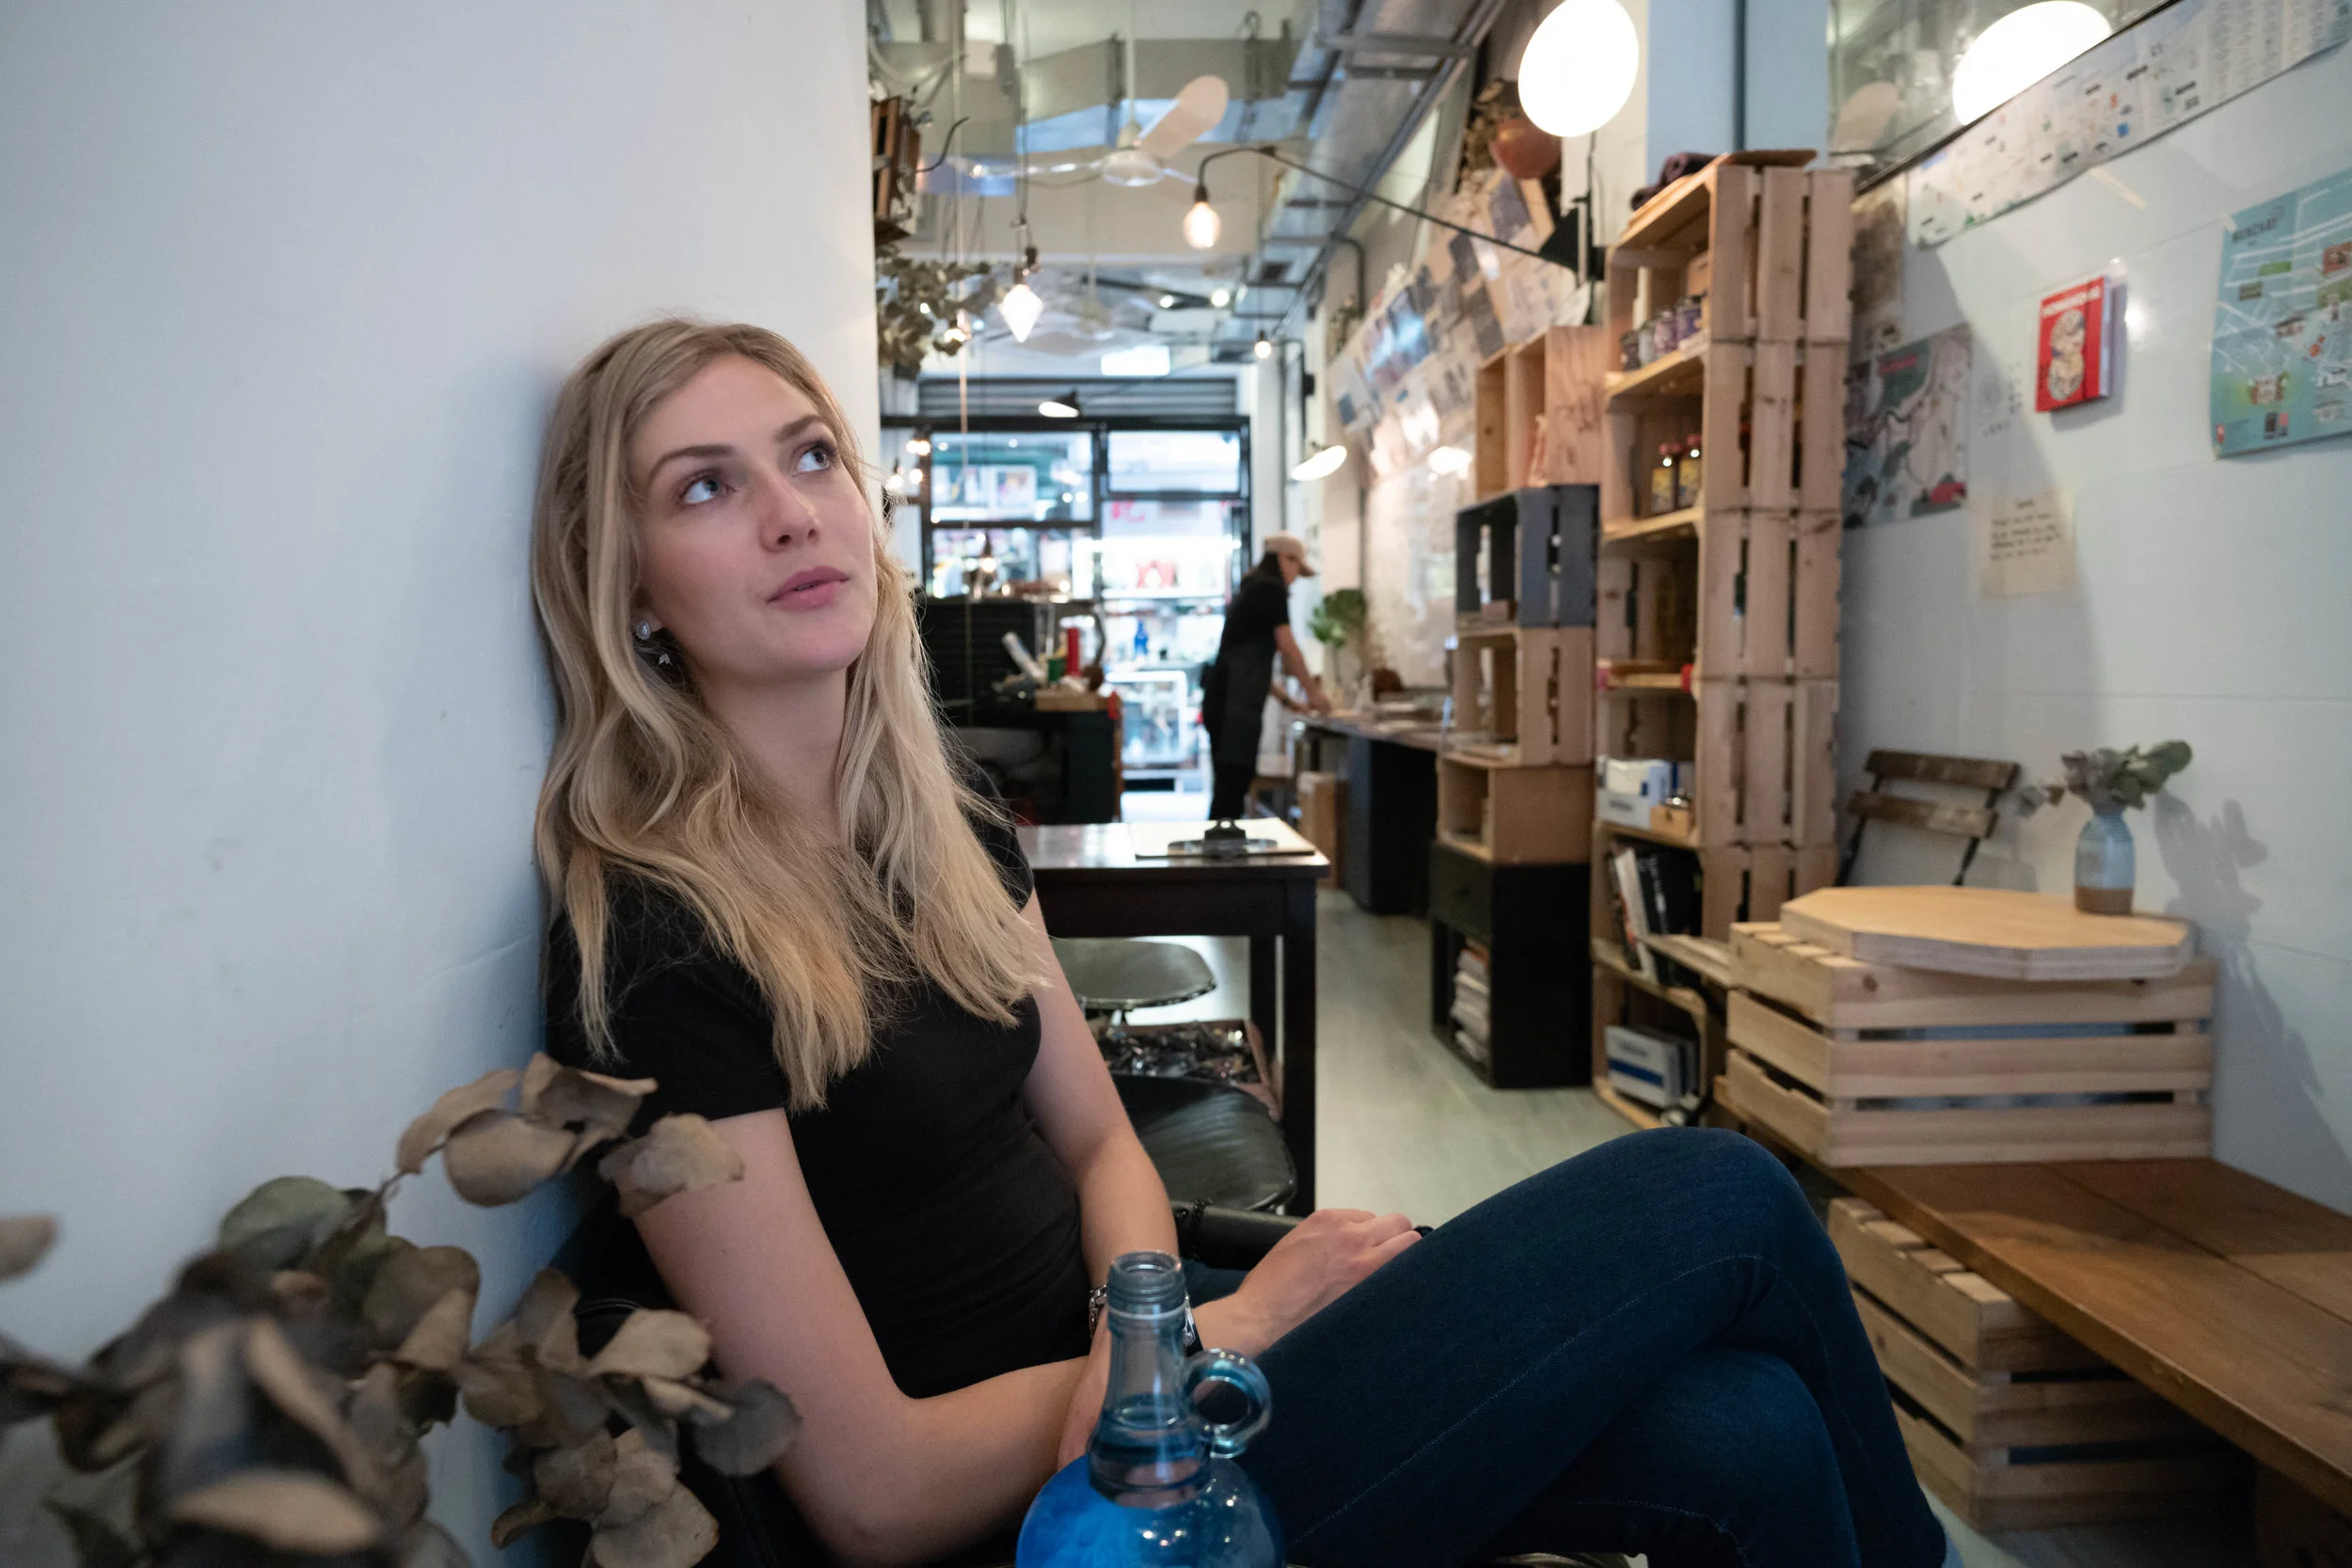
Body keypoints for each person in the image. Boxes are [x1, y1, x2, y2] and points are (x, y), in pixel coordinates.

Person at [532, 320, 1956, 1568]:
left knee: (1754, 1432)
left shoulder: (941, 821)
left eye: (810, 456)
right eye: (706, 486)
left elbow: (1102, 1141)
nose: (792, 513)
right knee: (1721, 1185)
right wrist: (1226, 1330)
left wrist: (1141, 1333)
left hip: (1137, 1370)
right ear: (631, 587)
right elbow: (871, 1493)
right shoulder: (652, 944)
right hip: (1055, 1511)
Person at [1200, 533, 1331, 821]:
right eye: (1296, 568)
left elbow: (1250, 665)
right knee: (1232, 786)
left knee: (1230, 787)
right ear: (1284, 559)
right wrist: (1314, 694)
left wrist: (1287, 700)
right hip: (1233, 707)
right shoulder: (1269, 588)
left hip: (1225, 700)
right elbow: (1288, 648)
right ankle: (1221, 847)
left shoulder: (1254, 587)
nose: (1295, 579)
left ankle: (1222, 844)